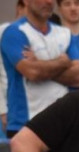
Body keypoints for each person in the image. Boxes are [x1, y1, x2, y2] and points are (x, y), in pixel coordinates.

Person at [1, 0, 79, 138]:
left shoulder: (65, 33)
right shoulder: (14, 32)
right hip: (25, 125)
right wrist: (63, 62)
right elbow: (32, 72)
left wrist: (39, 64)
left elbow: (78, 75)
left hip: (62, 124)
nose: (49, 2)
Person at [0, 0, 26, 135]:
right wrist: (2, 109)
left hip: (23, 108)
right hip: (6, 108)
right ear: (19, 8)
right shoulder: (5, 31)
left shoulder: (35, 34)